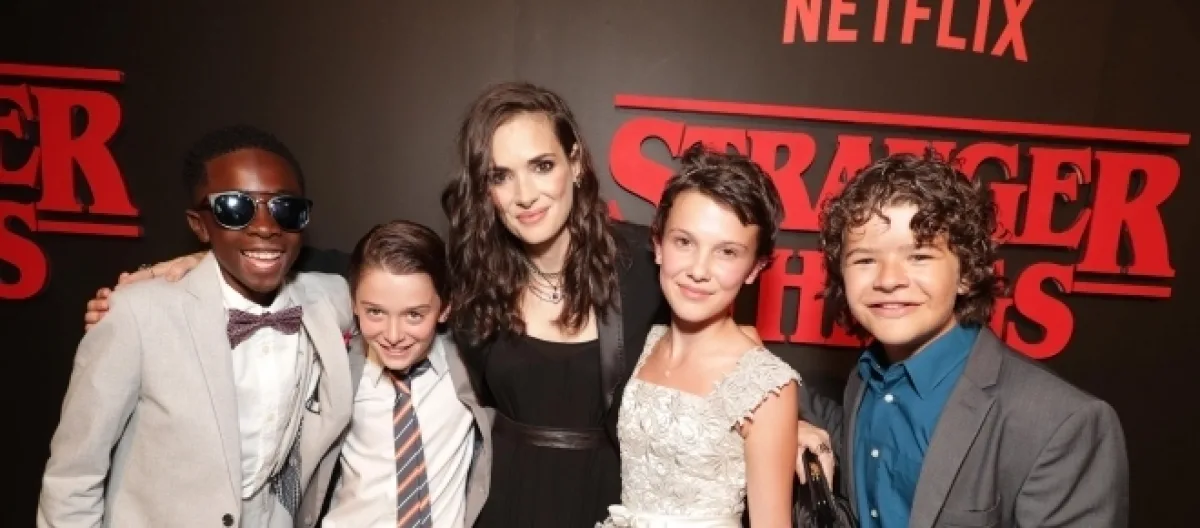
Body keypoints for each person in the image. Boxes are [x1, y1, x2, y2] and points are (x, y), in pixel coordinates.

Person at [81, 81, 836, 525]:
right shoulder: (471, 273)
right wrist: (195, 262)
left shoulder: (647, 261)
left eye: (541, 165)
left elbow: (720, 338)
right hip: (497, 505)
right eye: (501, 175)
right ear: (485, 187)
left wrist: (786, 421)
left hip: (606, 505)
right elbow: (352, 270)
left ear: (575, 162)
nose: (526, 193)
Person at [39, 125, 356, 528]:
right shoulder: (137, 315)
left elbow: (406, 281)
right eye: (235, 208)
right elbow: (73, 477)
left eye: (285, 208)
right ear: (200, 225)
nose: (265, 226)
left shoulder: (329, 299)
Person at [796, 152, 1129, 527]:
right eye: (865, 260)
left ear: (966, 273)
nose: (888, 280)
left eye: (919, 256)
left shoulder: (1061, 422)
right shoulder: (866, 380)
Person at [599, 145, 800, 527]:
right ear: (658, 245)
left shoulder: (766, 387)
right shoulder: (643, 342)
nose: (699, 270)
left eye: (727, 252)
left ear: (754, 268)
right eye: (684, 242)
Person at [322, 219, 493, 527]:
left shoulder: (468, 367)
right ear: (354, 304)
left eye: (414, 315)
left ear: (445, 308)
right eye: (375, 312)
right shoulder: (336, 372)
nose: (393, 335)